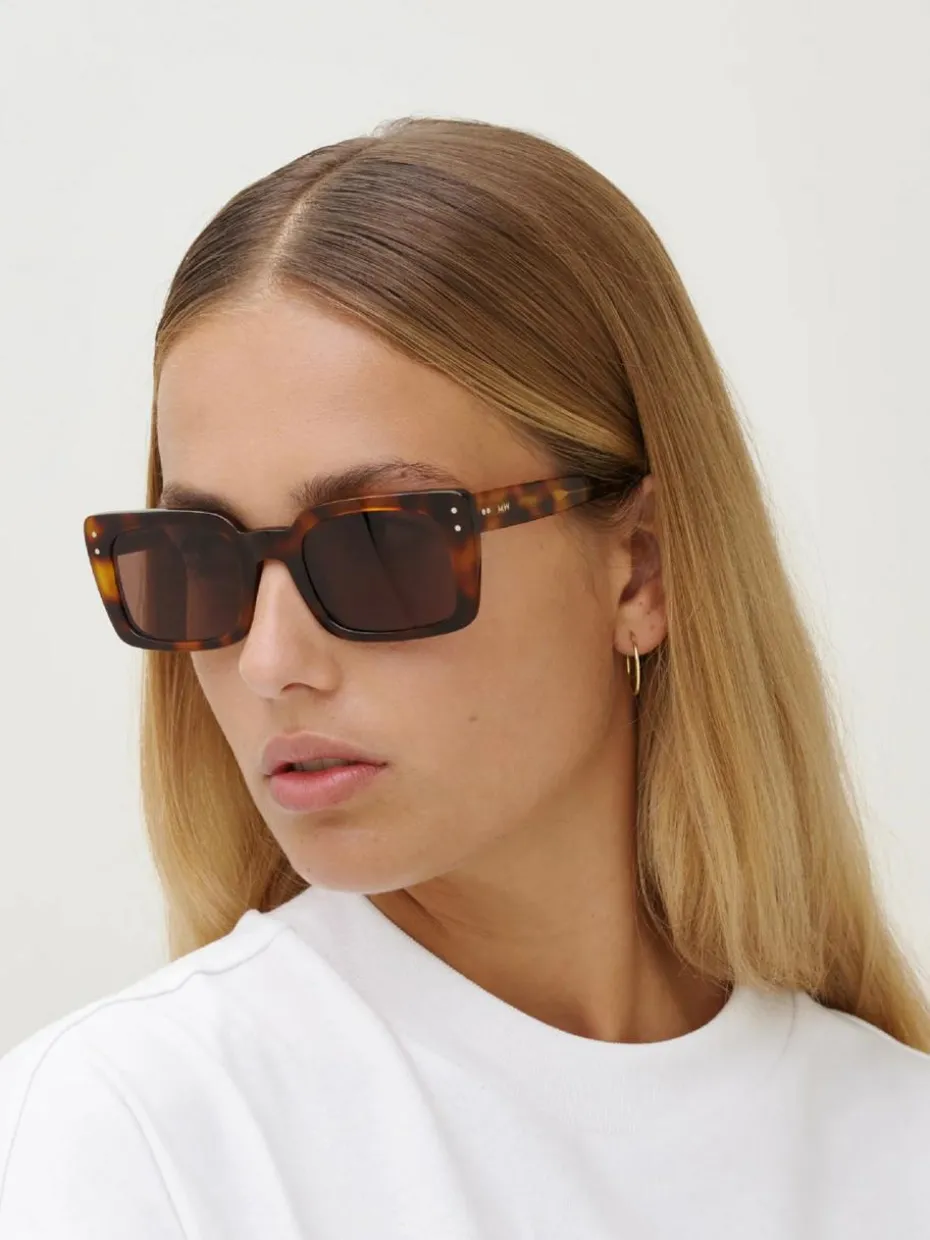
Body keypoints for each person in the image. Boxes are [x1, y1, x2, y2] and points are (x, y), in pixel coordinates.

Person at [1, 115, 928, 1238]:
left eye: (379, 544)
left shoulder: (897, 1142)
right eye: (198, 560)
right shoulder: (128, 1138)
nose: (271, 661)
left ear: (643, 566)